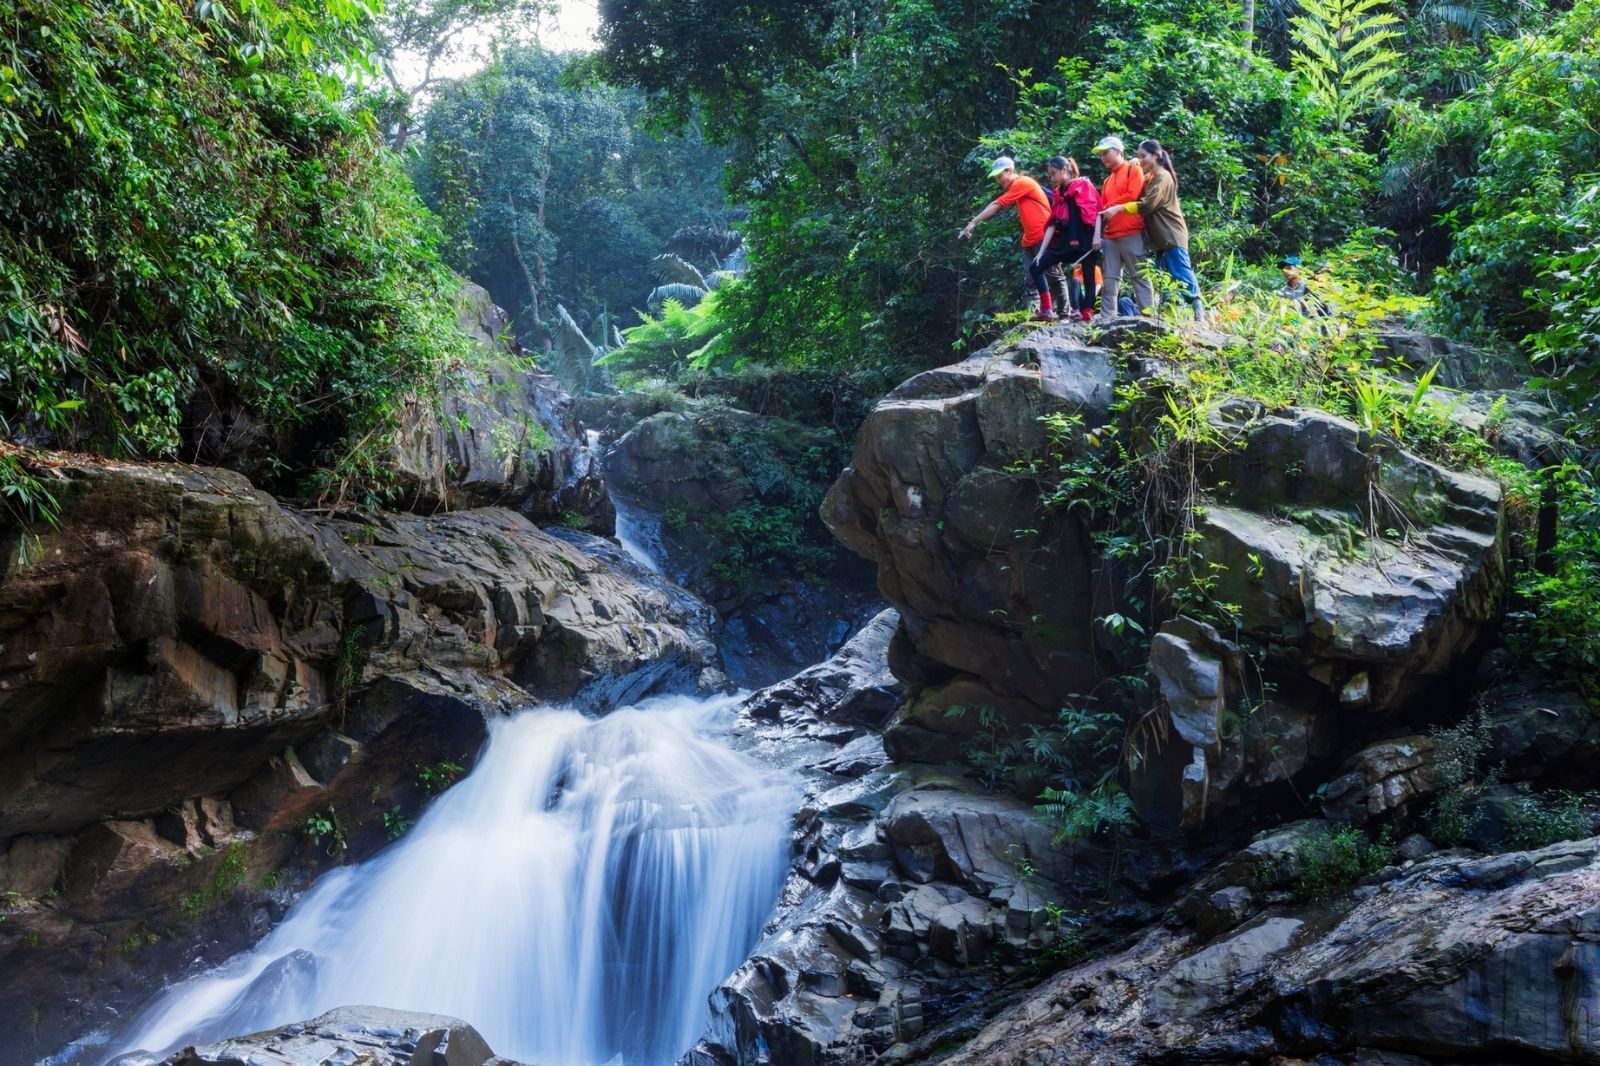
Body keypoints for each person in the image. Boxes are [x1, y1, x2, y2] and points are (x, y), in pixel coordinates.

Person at [1099, 138, 1202, 320]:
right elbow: (1139, 189)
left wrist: (1119, 208)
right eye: (1138, 156)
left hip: (1171, 234)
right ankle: (1168, 317)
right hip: (1159, 239)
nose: (1141, 160)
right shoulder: (1150, 177)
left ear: (1156, 155)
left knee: (1181, 273)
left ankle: (1199, 312)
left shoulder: (1163, 176)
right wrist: (1136, 164)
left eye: (1143, 156)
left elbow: (1148, 204)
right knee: (1164, 278)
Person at [959, 155, 1056, 319]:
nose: (998, 180)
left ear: (1010, 171)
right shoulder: (1017, 187)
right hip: (1029, 239)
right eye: (996, 177)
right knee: (1031, 277)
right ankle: (1041, 312)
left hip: (1043, 235)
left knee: (1053, 274)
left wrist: (974, 222)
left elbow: (997, 205)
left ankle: (1065, 312)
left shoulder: (1023, 182)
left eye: (1000, 176)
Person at [1090, 135, 1155, 320]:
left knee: (1139, 276)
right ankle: (1106, 316)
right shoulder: (1107, 181)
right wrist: (1097, 233)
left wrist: (1109, 207)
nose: (1103, 157)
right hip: (1110, 236)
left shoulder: (1133, 169)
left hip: (1132, 232)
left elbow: (1133, 195)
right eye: (1101, 154)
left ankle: (1148, 316)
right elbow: (1101, 210)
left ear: (1118, 151)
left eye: (1106, 153)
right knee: (1110, 278)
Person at [1036, 156, 1102, 322]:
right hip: (1066, 242)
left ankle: (1087, 314)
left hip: (1086, 240)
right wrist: (1041, 252)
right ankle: (1046, 309)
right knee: (1035, 268)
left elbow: (1097, 212)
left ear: (1064, 170)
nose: (1052, 178)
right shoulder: (1059, 193)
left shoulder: (1083, 185)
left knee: (1089, 278)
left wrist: (1097, 236)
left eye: (1054, 173)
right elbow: (1053, 223)